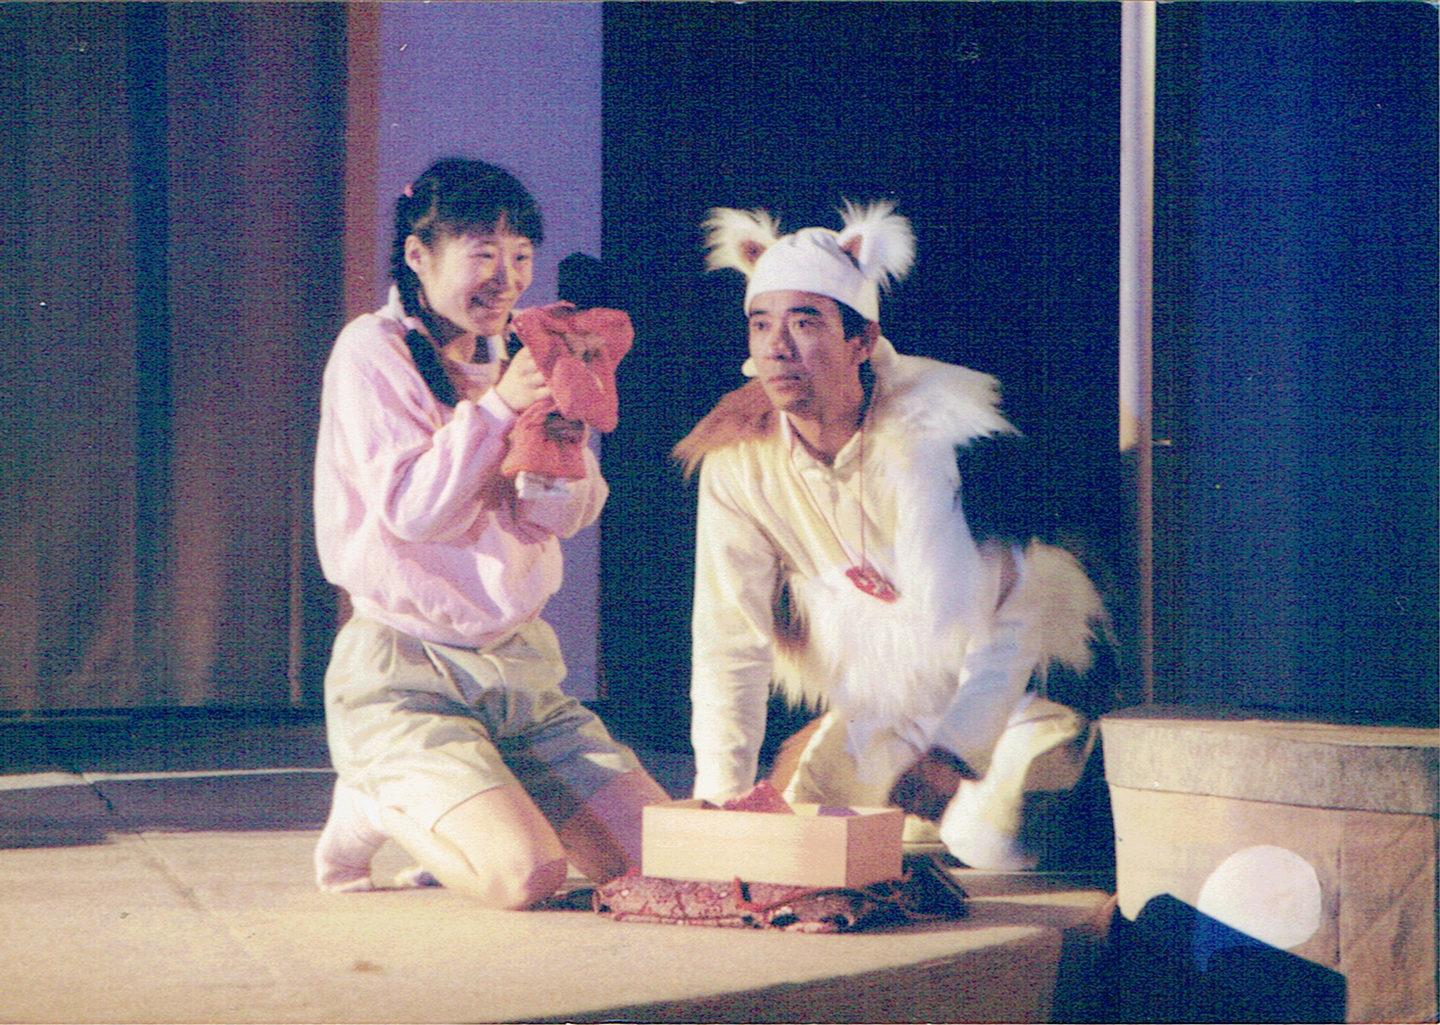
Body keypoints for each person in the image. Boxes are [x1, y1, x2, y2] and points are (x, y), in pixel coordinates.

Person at [674, 202, 1109, 871]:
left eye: (805, 322)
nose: (777, 346)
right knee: (807, 834)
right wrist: (721, 796)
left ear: (862, 340)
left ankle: (1064, 764)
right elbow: (729, 637)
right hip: (888, 704)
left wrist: (956, 750)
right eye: (761, 323)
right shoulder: (737, 463)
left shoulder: (941, 435)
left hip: (1008, 694)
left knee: (987, 842)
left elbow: (1021, 609)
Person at [311, 158, 670, 909]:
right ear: (418, 255)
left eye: (521, 255)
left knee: (665, 858)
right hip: (406, 675)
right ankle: (375, 798)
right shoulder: (371, 350)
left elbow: (564, 518)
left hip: (522, 672)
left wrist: (559, 442)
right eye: (483, 253)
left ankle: (478, 799)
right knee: (524, 876)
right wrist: (503, 409)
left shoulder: (521, 351)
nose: (506, 279)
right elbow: (413, 511)